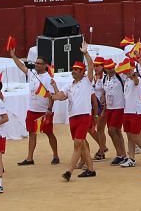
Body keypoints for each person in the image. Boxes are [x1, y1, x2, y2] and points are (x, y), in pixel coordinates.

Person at [51, 43, 97, 181]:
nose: (74, 71)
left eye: (77, 69)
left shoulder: (87, 81)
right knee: (81, 143)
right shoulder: (69, 85)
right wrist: (53, 93)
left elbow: (91, 66)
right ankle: (91, 169)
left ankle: (69, 171)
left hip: (84, 116)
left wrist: (85, 53)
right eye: (73, 69)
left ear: (83, 72)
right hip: (73, 117)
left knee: (78, 143)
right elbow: (61, 96)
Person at [9, 48, 59, 166]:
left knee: (49, 133)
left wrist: (49, 110)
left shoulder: (48, 79)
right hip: (32, 109)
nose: (36, 65)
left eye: (39, 63)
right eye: (36, 63)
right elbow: (21, 67)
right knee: (32, 133)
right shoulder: (32, 74)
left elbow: (52, 96)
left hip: (43, 111)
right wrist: (13, 55)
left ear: (45, 65)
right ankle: (29, 158)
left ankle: (56, 155)